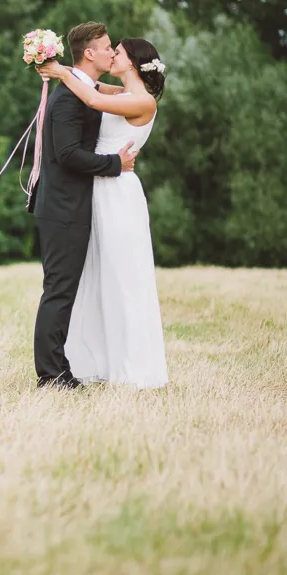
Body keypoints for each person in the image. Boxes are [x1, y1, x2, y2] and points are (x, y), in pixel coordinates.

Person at [39, 38, 169, 388]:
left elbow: (93, 97)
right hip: (96, 191)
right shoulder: (122, 93)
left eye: (119, 52)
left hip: (118, 192)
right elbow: (95, 88)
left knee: (123, 276)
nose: (113, 54)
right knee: (97, 278)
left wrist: (61, 72)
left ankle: (132, 366)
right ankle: (95, 360)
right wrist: (65, 72)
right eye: (111, 48)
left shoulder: (142, 101)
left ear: (132, 63)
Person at [27, 22, 136, 390]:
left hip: (71, 205)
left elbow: (102, 92)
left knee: (64, 289)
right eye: (107, 47)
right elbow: (69, 155)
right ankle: (51, 376)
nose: (112, 51)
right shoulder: (70, 98)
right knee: (58, 290)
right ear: (89, 53)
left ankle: (61, 369)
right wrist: (114, 165)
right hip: (62, 208)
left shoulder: (80, 88)